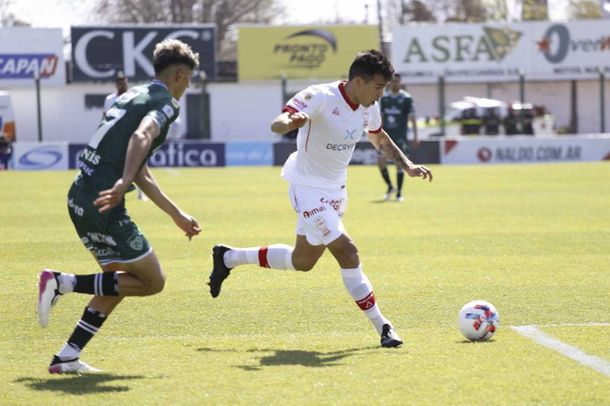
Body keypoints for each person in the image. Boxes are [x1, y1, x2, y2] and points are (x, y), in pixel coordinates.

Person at [207, 50, 432, 348]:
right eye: (377, 87)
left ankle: (228, 257)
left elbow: (379, 138)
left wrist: (407, 165)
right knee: (348, 252)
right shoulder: (320, 96)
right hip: (306, 188)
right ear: (359, 81)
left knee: (302, 261)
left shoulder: (368, 106)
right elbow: (277, 122)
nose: (380, 95)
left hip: (336, 191)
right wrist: (289, 123)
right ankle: (383, 326)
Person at [37, 39, 202, 374]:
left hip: (80, 195)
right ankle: (62, 282)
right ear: (181, 75)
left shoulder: (132, 95)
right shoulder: (167, 104)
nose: (188, 86)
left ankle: (67, 356)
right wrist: (122, 183)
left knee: (118, 282)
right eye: (189, 80)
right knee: (153, 282)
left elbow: (141, 169)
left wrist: (176, 214)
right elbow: (142, 138)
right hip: (105, 203)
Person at [377, 73, 418, 202]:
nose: (395, 83)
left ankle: (399, 193)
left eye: (397, 81)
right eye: (393, 81)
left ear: (400, 83)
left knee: (399, 165)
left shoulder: (406, 98)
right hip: (387, 137)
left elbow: (412, 118)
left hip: (400, 136)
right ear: (389, 83)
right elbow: (381, 118)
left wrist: (416, 136)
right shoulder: (384, 98)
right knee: (381, 161)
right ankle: (390, 186)